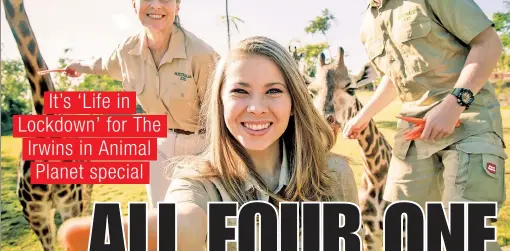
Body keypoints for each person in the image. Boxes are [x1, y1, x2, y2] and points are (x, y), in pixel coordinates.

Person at [56, 36, 363, 251]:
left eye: (273, 91)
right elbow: (184, 222)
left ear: (294, 102)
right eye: (240, 91)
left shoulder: (334, 173)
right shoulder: (196, 181)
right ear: (219, 102)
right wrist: (152, 232)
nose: (256, 107)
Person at [334, 0, 506, 249]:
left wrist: (454, 105)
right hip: (414, 136)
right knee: (402, 231)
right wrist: (363, 116)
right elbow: (393, 77)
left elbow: (488, 43)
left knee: (464, 234)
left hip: (469, 125)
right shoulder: (367, 26)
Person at [64, 0, 219, 209]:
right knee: (160, 216)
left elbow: (220, 110)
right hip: (158, 143)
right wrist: (77, 66)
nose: (155, 5)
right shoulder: (127, 50)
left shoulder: (200, 53)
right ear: (134, 4)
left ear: (177, 6)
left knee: (193, 219)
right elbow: (102, 64)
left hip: (200, 146)